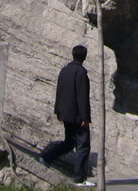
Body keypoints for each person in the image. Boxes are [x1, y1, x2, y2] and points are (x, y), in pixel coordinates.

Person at [40, 45, 93, 187]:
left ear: (73, 55)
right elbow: (82, 97)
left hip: (66, 114)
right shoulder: (81, 73)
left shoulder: (64, 71)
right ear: (84, 57)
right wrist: (85, 118)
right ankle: (79, 178)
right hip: (77, 116)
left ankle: (46, 158)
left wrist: (58, 111)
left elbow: (60, 91)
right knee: (83, 146)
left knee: (69, 142)